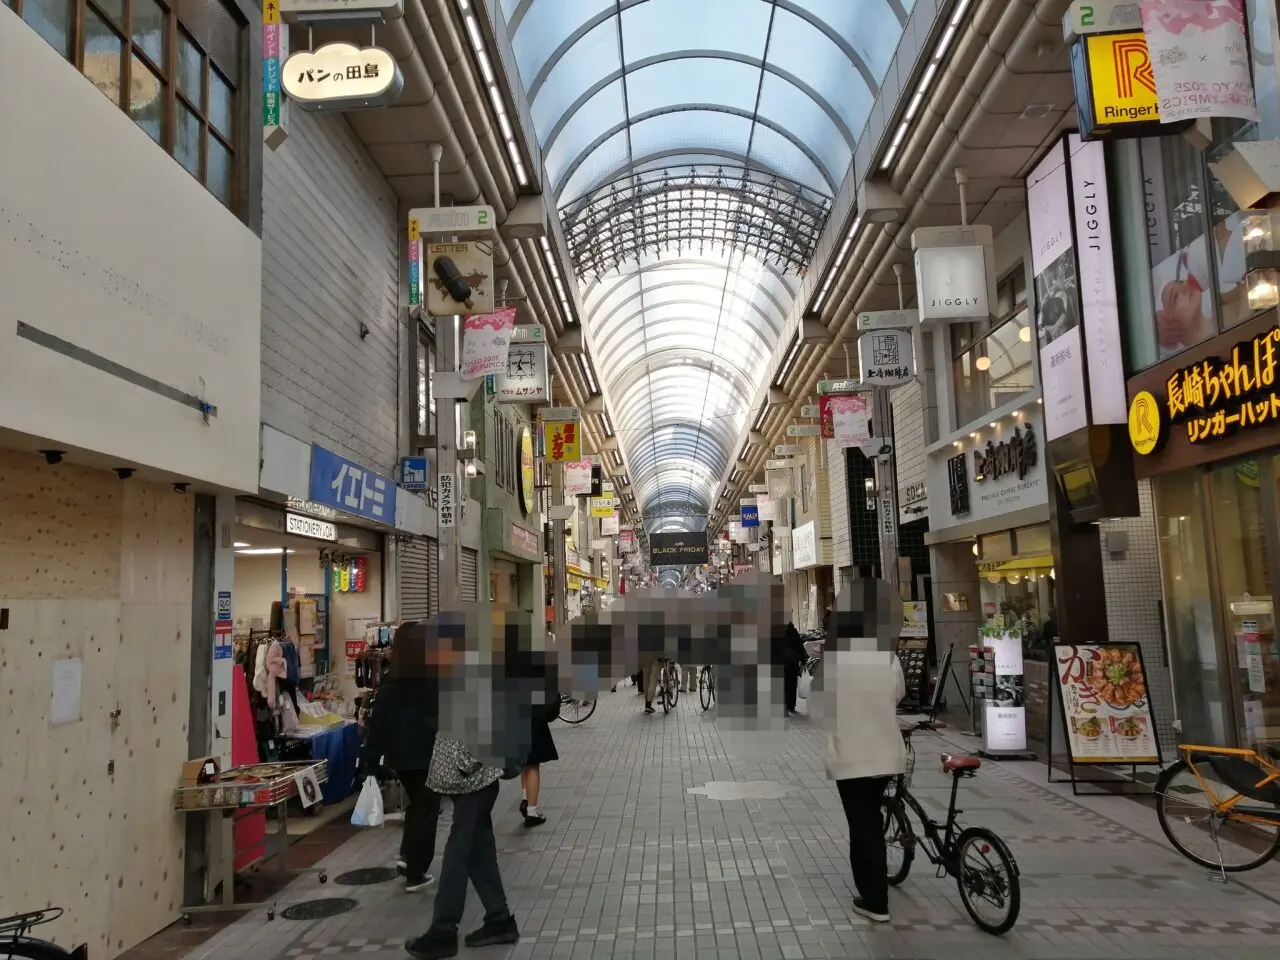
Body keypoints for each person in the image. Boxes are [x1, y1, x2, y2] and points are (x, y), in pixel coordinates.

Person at [405, 627, 520, 960]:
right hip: (471, 781)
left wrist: (465, 764)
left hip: (474, 782)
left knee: (456, 854)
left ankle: (443, 930)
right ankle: (499, 919)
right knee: (478, 852)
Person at [824, 583, 907, 924]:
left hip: (851, 758)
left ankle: (875, 900)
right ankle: (876, 889)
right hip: (887, 754)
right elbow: (898, 694)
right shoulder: (888, 658)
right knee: (870, 820)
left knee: (863, 828)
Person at [361, 621, 441, 893]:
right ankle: (416, 872)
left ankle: (407, 857)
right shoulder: (433, 679)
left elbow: (378, 725)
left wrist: (371, 763)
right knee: (426, 811)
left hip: (399, 758)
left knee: (417, 807)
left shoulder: (390, 680)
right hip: (427, 755)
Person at [520, 686, 560, 828]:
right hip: (533, 713)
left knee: (523, 760)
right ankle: (532, 812)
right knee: (532, 764)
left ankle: (525, 797)